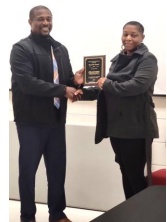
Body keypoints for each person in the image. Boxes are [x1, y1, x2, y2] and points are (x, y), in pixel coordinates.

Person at [10, 5, 84, 222]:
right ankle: (27, 216)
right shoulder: (21, 48)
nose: (45, 23)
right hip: (31, 121)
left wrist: (74, 82)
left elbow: (65, 80)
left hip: (56, 119)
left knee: (57, 170)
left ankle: (57, 214)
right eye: (40, 19)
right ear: (30, 21)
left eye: (49, 19)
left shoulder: (60, 49)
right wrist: (63, 89)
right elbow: (27, 83)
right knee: (28, 172)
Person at [74, 21, 159, 200]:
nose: (128, 38)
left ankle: (146, 216)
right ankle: (130, 213)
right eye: (125, 34)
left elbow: (136, 86)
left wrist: (108, 83)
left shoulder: (147, 59)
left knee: (135, 175)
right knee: (125, 172)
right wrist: (80, 91)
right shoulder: (117, 59)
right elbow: (103, 89)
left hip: (136, 127)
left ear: (142, 37)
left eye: (133, 35)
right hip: (116, 127)